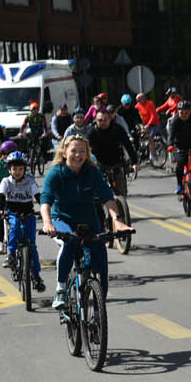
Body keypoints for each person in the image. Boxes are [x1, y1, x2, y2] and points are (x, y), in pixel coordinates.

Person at [40, 132, 132, 310]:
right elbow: (46, 200)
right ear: (65, 152)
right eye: (74, 150)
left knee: (102, 268)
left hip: (89, 222)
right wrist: (47, 223)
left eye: (82, 151)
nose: (78, 155)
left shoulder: (92, 172)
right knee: (70, 240)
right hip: (62, 220)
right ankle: (61, 288)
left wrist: (117, 220)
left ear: (87, 154)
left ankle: (98, 315)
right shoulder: (56, 173)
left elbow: (107, 198)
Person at [0, 154, 45, 293]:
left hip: (28, 214)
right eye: (14, 169)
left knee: (32, 246)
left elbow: (38, 196)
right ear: (9, 170)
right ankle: (11, 255)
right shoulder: (6, 181)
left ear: (25, 170)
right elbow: (1, 196)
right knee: (15, 227)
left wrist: (45, 208)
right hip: (12, 212)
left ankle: (36, 276)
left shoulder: (30, 181)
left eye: (20, 169)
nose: (17, 172)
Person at [88, 105, 139, 203]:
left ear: (110, 119)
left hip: (117, 162)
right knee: (97, 193)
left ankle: (122, 212)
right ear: (96, 120)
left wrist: (134, 163)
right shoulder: (92, 132)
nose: (102, 122)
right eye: (99, 120)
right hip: (100, 163)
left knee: (121, 193)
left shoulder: (118, 129)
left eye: (105, 119)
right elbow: (86, 150)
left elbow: (128, 146)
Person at [166, 97, 191, 200]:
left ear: (190, 112)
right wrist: (170, 145)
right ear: (178, 112)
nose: (184, 114)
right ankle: (179, 185)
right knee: (180, 164)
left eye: (186, 112)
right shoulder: (175, 120)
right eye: (181, 112)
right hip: (180, 146)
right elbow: (171, 134)